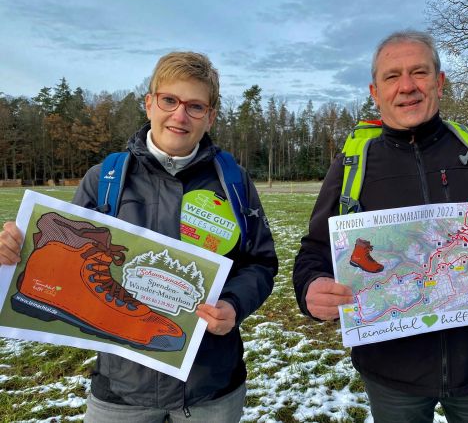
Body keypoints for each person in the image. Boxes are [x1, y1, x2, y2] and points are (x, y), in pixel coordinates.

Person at [292, 30, 468, 423]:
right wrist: (311, 288)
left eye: (418, 72)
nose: (407, 86)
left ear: (439, 82)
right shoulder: (353, 164)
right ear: (375, 92)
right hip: (391, 376)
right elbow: (315, 251)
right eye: (392, 76)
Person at [0, 52, 278, 422]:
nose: (180, 115)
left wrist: (233, 303)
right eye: (169, 100)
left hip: (211, 386)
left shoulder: (233, 182)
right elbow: (62, 246)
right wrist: (14, 252)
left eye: (195, 106)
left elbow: (260, 263)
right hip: (121, 389)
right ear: (149, 103)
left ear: (210, 116)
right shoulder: (104, 179)